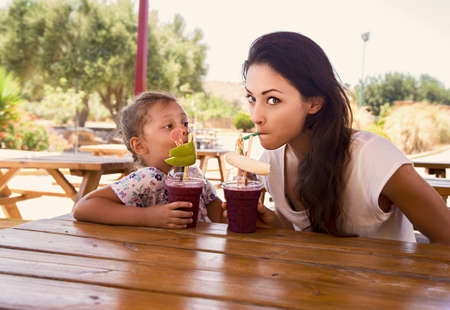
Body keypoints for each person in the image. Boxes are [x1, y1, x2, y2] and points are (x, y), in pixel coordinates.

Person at [238, 31, 450, 244]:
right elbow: (311, 247)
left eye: (273, 99)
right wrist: (276, 227)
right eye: (251, 98)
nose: (255, 116)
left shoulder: (373, 158)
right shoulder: (270, 162)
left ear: (313, 103)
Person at [73, 91, 223, 228]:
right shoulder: (147, 179)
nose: (184, 130)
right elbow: (83, 207)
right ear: (139, 145)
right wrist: (148, 217)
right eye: (169, 126)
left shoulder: (194, 176)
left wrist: (229, 213)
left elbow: (217, 215)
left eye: (185, 123)